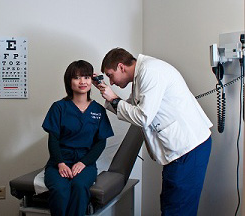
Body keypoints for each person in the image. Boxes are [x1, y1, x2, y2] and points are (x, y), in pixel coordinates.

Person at [95, 48, 213, 216]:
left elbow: (143, 117)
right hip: (181, 149)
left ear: (121, 67)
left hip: (188, 149)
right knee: (171, 204)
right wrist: (106, 95)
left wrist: (113, 98)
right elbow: (130, 107)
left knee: (177, 209)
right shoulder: (142, 74)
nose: (111, 82)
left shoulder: (150, 72)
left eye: (110, 75)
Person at [42, 60, 114, 216]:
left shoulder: (98, 110)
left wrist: (83, 163)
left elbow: (101, 142)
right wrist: (60, 163)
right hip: (59, 162)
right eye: (77, 77)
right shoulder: (59, 107)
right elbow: (53, 139)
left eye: (86, 77)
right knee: (60, 190)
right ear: (69, 81)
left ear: (92, 81)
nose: (82, 81)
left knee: (79, 187)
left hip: (85, 163)